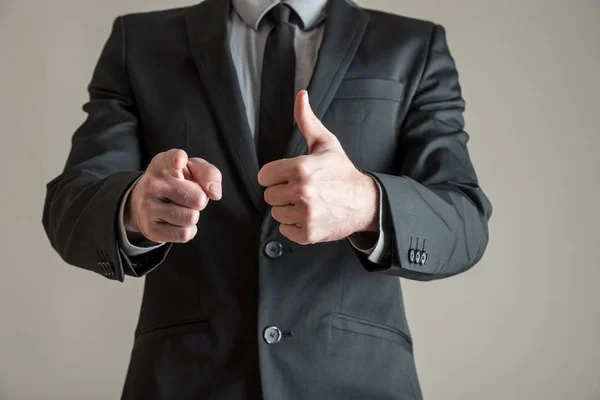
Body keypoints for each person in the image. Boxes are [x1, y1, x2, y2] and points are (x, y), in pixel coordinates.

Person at [42, 0, 492, 398]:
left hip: (358, 381)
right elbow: (71, 204)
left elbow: (465, 223)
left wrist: (367, 204)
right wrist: (134, 206)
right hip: (184, 380)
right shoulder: (139, 41)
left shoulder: (413, 44)